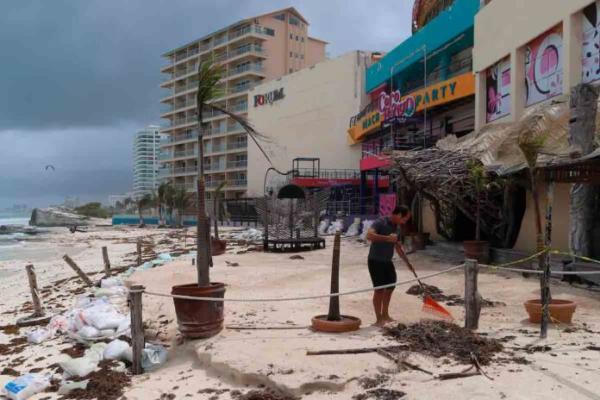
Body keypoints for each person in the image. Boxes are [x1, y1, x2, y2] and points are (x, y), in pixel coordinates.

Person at [366, 205, 412, 327]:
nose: (405, 221)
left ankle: (386, 315)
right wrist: (387, 238)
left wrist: (408, 263)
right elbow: (369, 236)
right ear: (398, 215)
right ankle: (378, 319)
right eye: (404, 218)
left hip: (387, 261)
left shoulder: (397, 228)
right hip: (375, 261)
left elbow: (397, 246)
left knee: (391, 286)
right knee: (379, 290)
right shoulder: (380, 222)